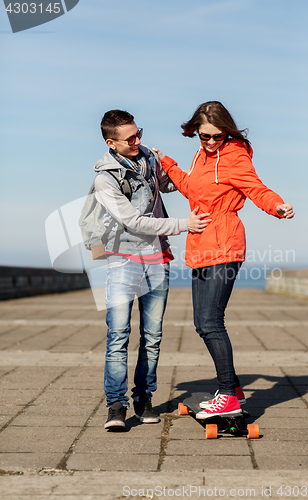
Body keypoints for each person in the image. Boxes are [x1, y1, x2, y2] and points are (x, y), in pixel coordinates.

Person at [153, 101, 294, 419]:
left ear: (226, 131)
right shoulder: (201, 154)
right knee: (201, 323)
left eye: (217, 136)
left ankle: (228, 395)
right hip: (200, 245)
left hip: (225, 244)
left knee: (212, 322)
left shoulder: (234, 154)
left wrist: (277, 206)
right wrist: (167, 163)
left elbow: (256, 189)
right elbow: (191, 189)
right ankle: (235, 387)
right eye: (205, 136)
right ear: (197, 132)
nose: (212, 142)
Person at [93, 110, 210, 430]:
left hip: (157, 260)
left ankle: (143, 398)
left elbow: (165, 185)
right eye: (130, 138)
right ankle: (115, 405)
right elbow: (133, 221)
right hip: (123, 260)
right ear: (111, 143)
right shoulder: (105, 178)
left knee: (152, 337)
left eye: (139, 133)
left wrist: (179, 169)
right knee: (118, 335)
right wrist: (183, 225)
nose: (138, 141)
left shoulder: (148, 158)